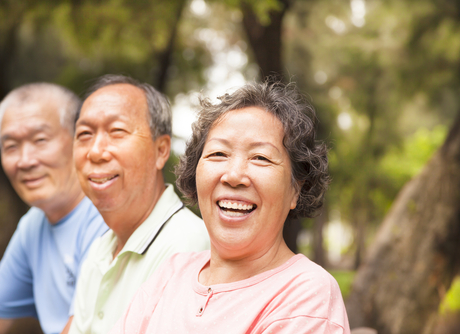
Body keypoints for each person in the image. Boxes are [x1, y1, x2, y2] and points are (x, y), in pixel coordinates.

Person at [110, 80, 351, 334]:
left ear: (296, 189)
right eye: (218, 154)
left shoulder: (307, 295)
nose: (233, 175)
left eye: (261, 157)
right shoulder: (172, 273)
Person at [65, 75, 210, 334]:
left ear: (161, 150)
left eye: (117, 131)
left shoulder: (190, 249)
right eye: (84, 134)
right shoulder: (100, 251)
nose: (95, 152)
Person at [0, 83, 108, 334]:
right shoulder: (33, 225)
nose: (25, 160)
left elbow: (81, 329)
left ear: (80, 139)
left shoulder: (107, 216)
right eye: (11, 146)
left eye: (40, 140)